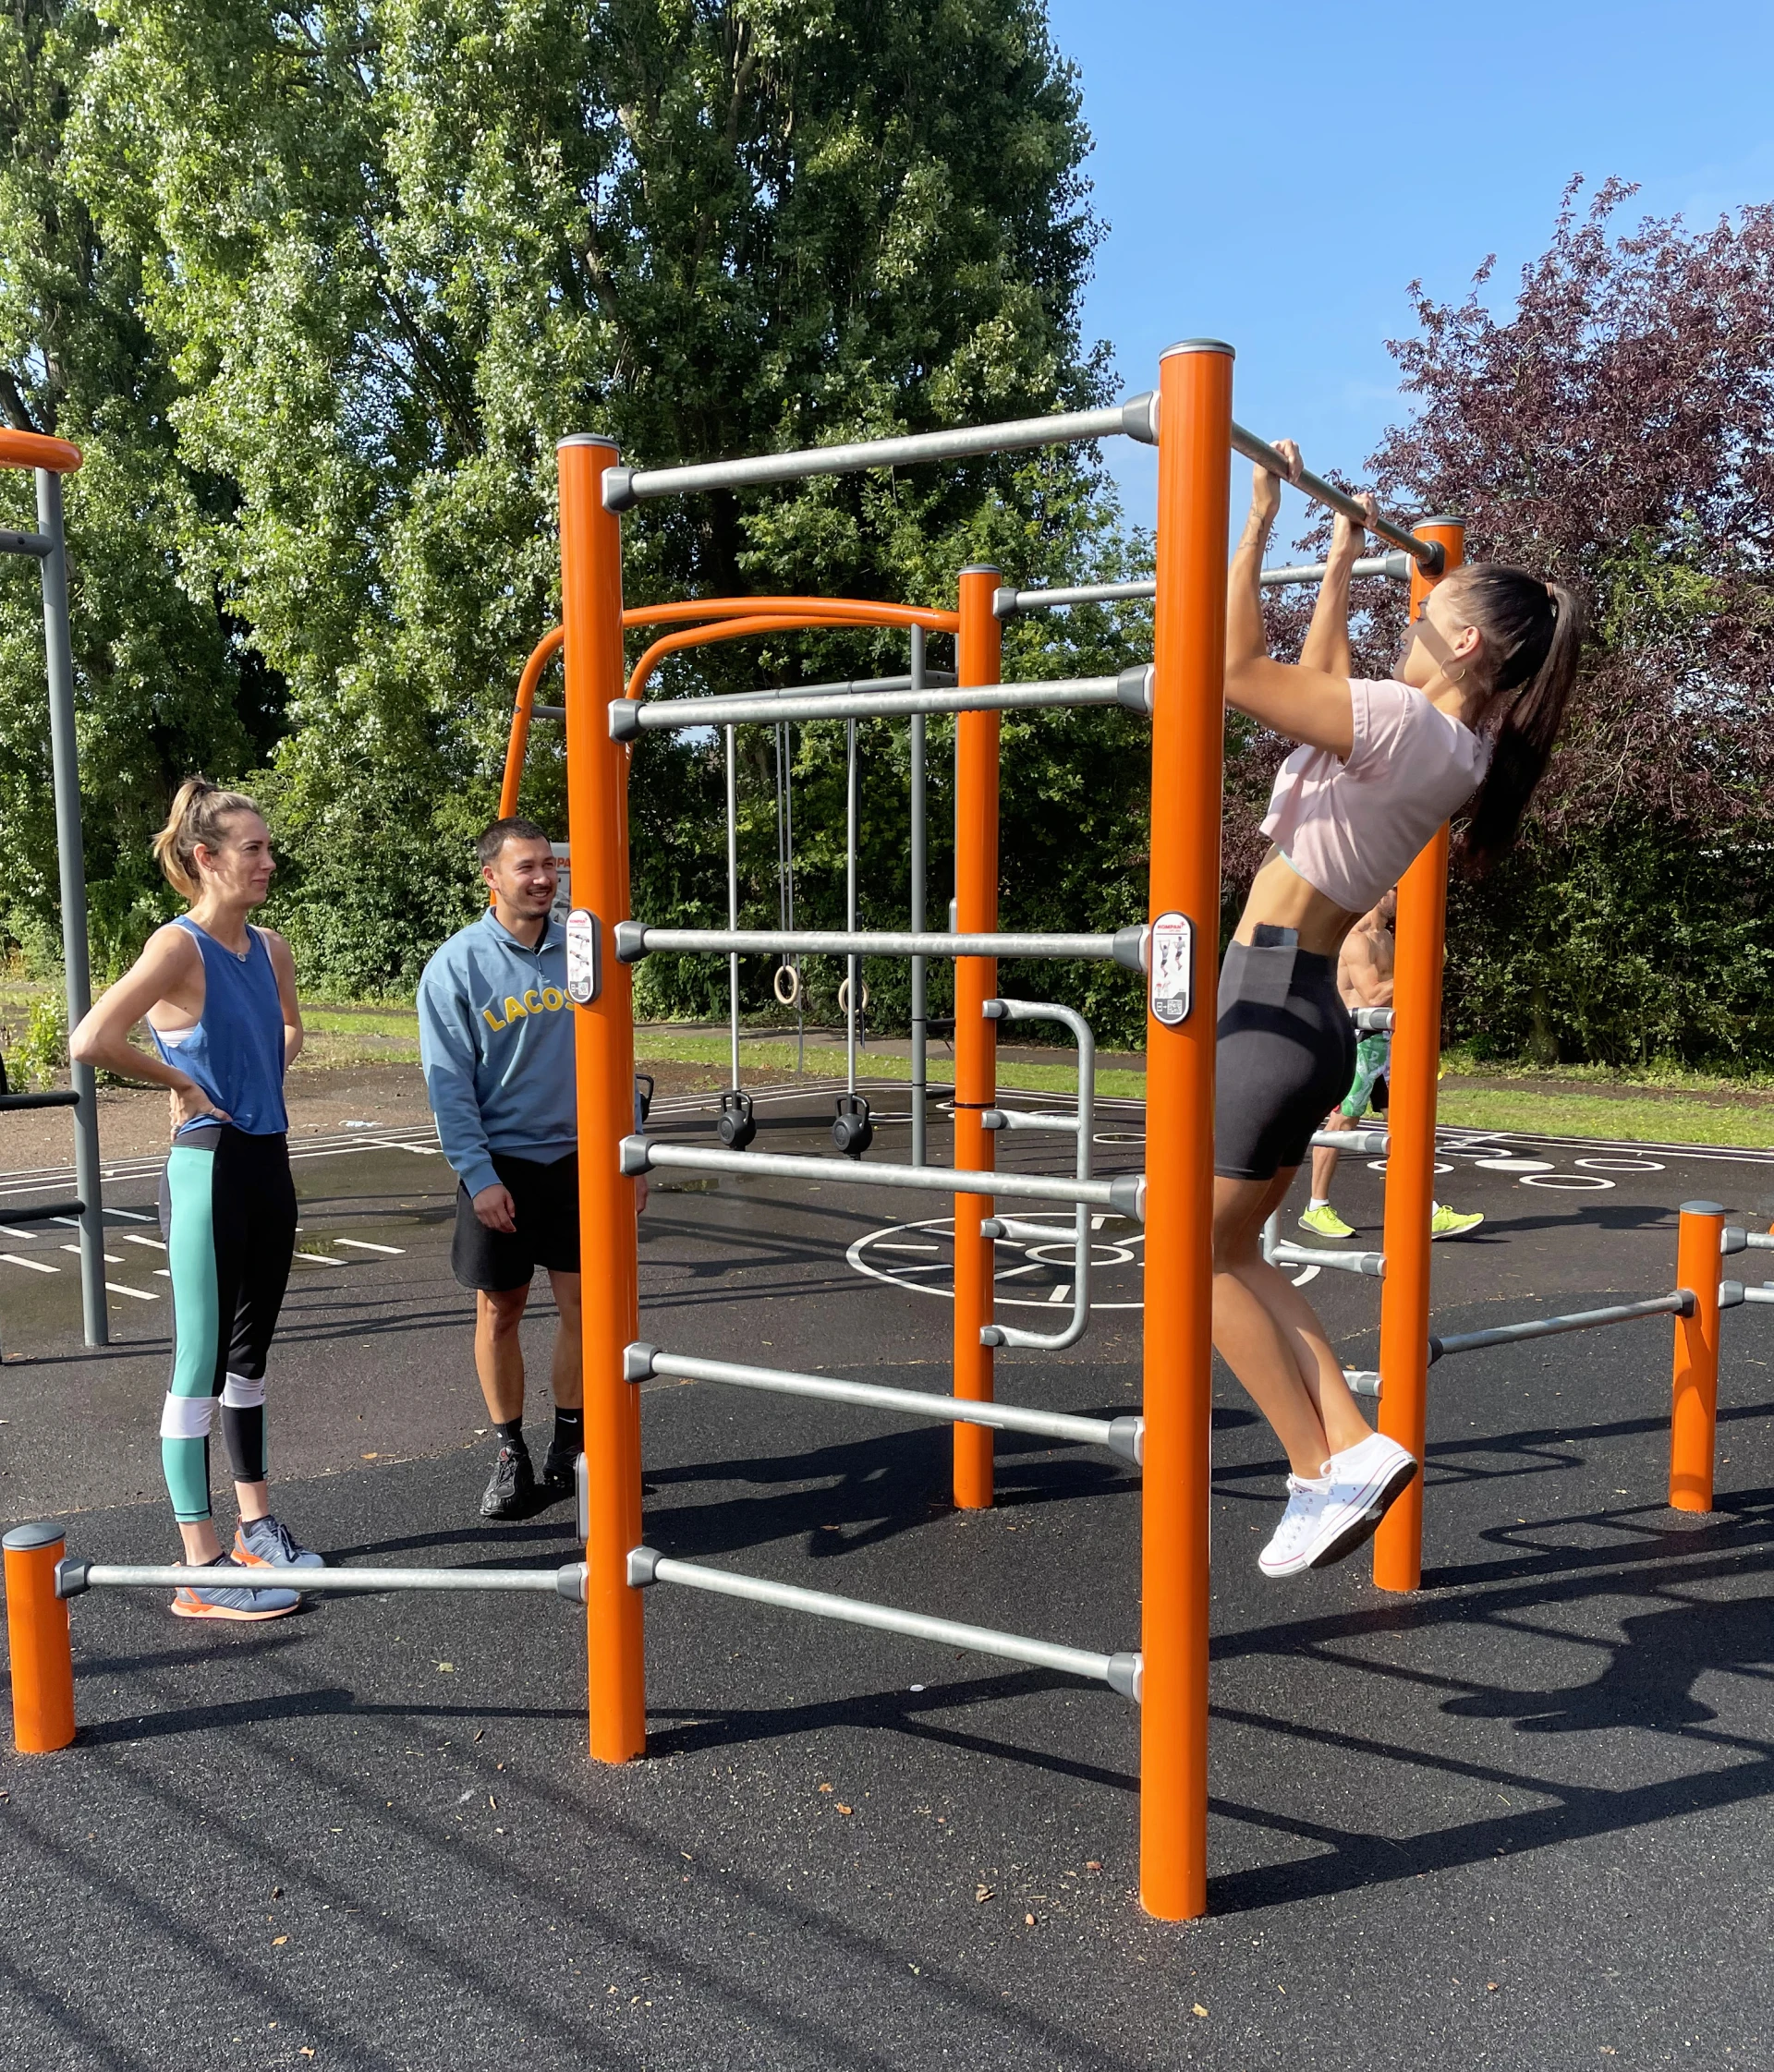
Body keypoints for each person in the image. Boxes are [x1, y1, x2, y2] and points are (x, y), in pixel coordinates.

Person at [1215, 445, 1582, 1579]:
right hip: (1305, 1007)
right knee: (1239, 1249)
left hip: (1269, 1001)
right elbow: (1319, 688)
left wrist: (1261, 518)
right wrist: (1338, 562)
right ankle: (1353, 1444)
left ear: (1466, 641)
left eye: (1426, 611)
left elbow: (1232, 669)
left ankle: (1313, 1467)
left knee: (1193, 1263)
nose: (1409, 621)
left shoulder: (1402, 726)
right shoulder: (1443, 742)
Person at [71, 778, 315, 1621]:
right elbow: (91, 1038)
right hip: (205, 1167)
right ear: (204, 858)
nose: (268, 861)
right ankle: (199, 1562)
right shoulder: (177, 948)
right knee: (199, 1366)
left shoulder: (271, 946)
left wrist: (259, 1082)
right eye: (253, 848)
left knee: (250, 1361)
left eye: (268, 847)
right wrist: (180, 1077)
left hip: (267, 1163)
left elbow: (289, 1024)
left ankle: (256, 1528)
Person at [418, 818, 586, 1521]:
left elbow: (618, 1052)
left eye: (550, 864)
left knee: (587, 1309)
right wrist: (479, 1175)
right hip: (504, 1164)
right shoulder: (455, 966)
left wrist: (631, 1155)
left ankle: (574, 1448)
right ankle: (511, 1452)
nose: (544, 878)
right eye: (528, 867)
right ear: (491, 877)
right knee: (501, 1309)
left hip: (580, 1158)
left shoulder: (583, 948)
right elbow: (448, 1083)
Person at [1299, 887, 1483, 1242]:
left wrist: (1427, 967)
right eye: (1398, 889)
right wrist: (1422, 966)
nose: (1402, 897)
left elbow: (1406, 989)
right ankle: (1316, 1207)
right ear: (1380, 891)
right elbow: (1375, 994)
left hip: (1386, 1040)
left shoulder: (1387, 937)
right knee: (1342, 1120)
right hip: (1358, 1040)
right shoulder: (1356, 940)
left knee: (1404, 1122)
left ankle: (1424, 1210)